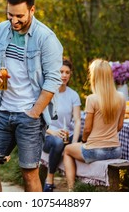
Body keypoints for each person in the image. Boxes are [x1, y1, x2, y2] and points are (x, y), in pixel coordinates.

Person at [0, 0, 63, 192]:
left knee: (29, 173)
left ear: (32, 10)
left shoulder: (46, 38)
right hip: (2, 111)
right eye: (10, 15)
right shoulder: (1, 30)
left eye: (19, 16)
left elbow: (53, 81)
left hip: (29, 115)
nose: (14, 20)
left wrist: (34, 113)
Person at [63, 58, 125, 191]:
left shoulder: (92, 99)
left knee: (67, 150)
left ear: (94, 77)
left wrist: (84, 141)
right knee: (75, 148)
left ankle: (71, 189)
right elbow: (119, 126)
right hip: (116, 151)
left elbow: (87, 128)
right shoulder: (121, 97)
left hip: (95, 151)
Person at [42, 59, 81, 192]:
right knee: (58, 142)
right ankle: (50, 179)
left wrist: (74, 142)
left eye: (67, 72)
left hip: (67, 136)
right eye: (61, 72)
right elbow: (39, 120)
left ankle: (74, 185)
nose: (64, 75)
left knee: (83, 138)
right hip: (49, 136)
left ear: (70, 74)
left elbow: (77, 121)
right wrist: (52, 132)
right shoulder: (47, 93)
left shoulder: (73, 95)